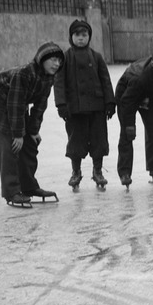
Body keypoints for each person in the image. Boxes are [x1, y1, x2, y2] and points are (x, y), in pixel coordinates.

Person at [0, 42, 66, 208]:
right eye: (53, 59)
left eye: (59, 61)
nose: (57, 64)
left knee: (30, 143)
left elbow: (40, 106)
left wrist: (32, 131)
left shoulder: (48, 78)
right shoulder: (24, 74)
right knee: (11, 145)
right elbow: (15, 104)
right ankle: (12, 191)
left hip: (15, 105)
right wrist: (17, 134)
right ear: (42, 59)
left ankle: (29, 187)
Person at [53, 19, 115, 190]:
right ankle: (76, 171)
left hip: (97, 107)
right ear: (71, 37)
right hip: (75, 109)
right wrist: (61, 104)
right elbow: (59, 82)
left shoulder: (96, 57)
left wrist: (110, 102)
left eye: (84, 35)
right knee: (76, 142)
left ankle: (97, 171)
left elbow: (106, 81)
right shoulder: (65, 57)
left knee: (99, 140)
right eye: (77, 35)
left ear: (89, 37)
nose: (81, 38)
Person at [115, 46, 153, 187]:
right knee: (127, 134)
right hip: (126, 95)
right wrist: (130, 124)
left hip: (148, 94)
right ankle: (124, 172)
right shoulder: (140, 78)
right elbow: (127, 102)